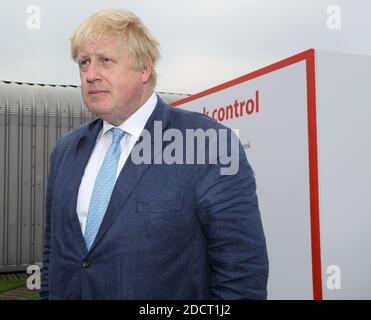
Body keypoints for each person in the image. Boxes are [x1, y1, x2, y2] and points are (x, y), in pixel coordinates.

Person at [40, 8, 269, 300]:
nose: (90, 75)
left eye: (105, 61)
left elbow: (242, 272)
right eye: (84, 63)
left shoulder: (206, 144)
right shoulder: (65, 150)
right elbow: (53, 254)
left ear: (144, 69)